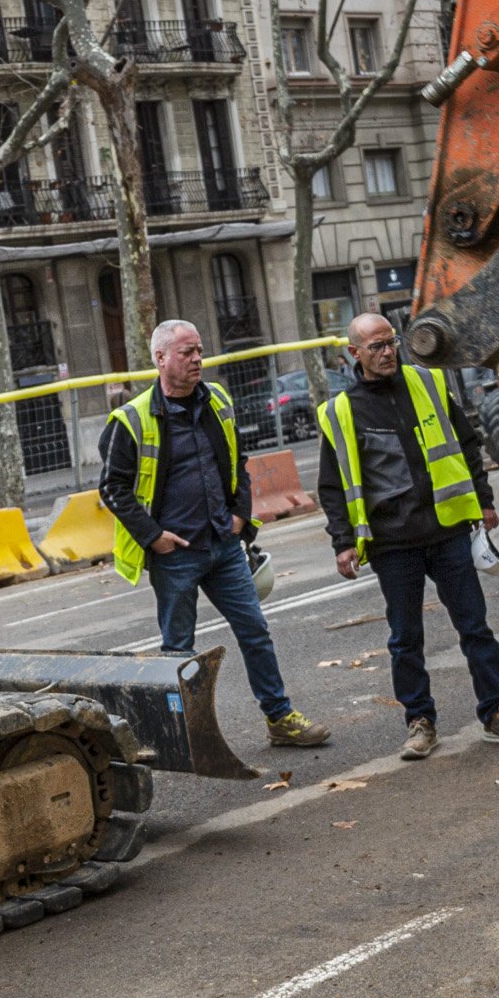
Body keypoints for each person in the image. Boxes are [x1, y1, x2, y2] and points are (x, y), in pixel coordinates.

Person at [98, 319, 328, 750]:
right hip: (175, 555)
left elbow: (238, 460)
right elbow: (112, 488)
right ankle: (177, 736)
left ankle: (279, 718)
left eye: (199, 350)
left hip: (223, 545)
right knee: (179, 651)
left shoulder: (217, 399)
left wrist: (240, 516)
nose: (197, 359)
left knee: (255, 630)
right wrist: (154, 538)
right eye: (186, 352)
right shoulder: (130, 420)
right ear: (160, 358)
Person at [314, 315, 499, 760]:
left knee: (474, 626)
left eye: (390, 342)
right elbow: (332, 486)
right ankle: (420, 721)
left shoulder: (430, 384)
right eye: (375, 346)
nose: (387, 351)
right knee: (405, 638)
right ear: (353, 354)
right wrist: (342, 541)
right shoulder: (340, 411)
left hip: (447, 530)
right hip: (392, 543)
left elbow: (468, 443)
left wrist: (484, 499)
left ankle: (495, 713)